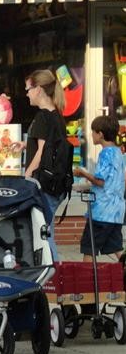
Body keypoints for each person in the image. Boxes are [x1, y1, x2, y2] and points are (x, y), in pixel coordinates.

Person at [16, 69, 69, 260]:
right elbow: (48, 144)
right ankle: (54, 275)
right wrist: (24, 145)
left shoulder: (41, 117)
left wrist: (27, 176)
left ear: (38, 89)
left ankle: (53, 276)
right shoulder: (56, 115)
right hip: (56, 184)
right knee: (47, 230)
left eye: (28, 89)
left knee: (44, 234)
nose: (27, 93)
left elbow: (41, 151)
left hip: (43, 184)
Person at [73, 115, 125, 261]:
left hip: (101, 213)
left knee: (89, 249)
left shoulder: (105, 153)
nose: (91, 135)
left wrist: (82, 172)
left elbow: (100, 181)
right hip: (116, 212)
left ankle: (87, 282)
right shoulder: (118, 152)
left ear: (100, 133)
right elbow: (115, 181)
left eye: (93, 131)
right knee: (116, 248)